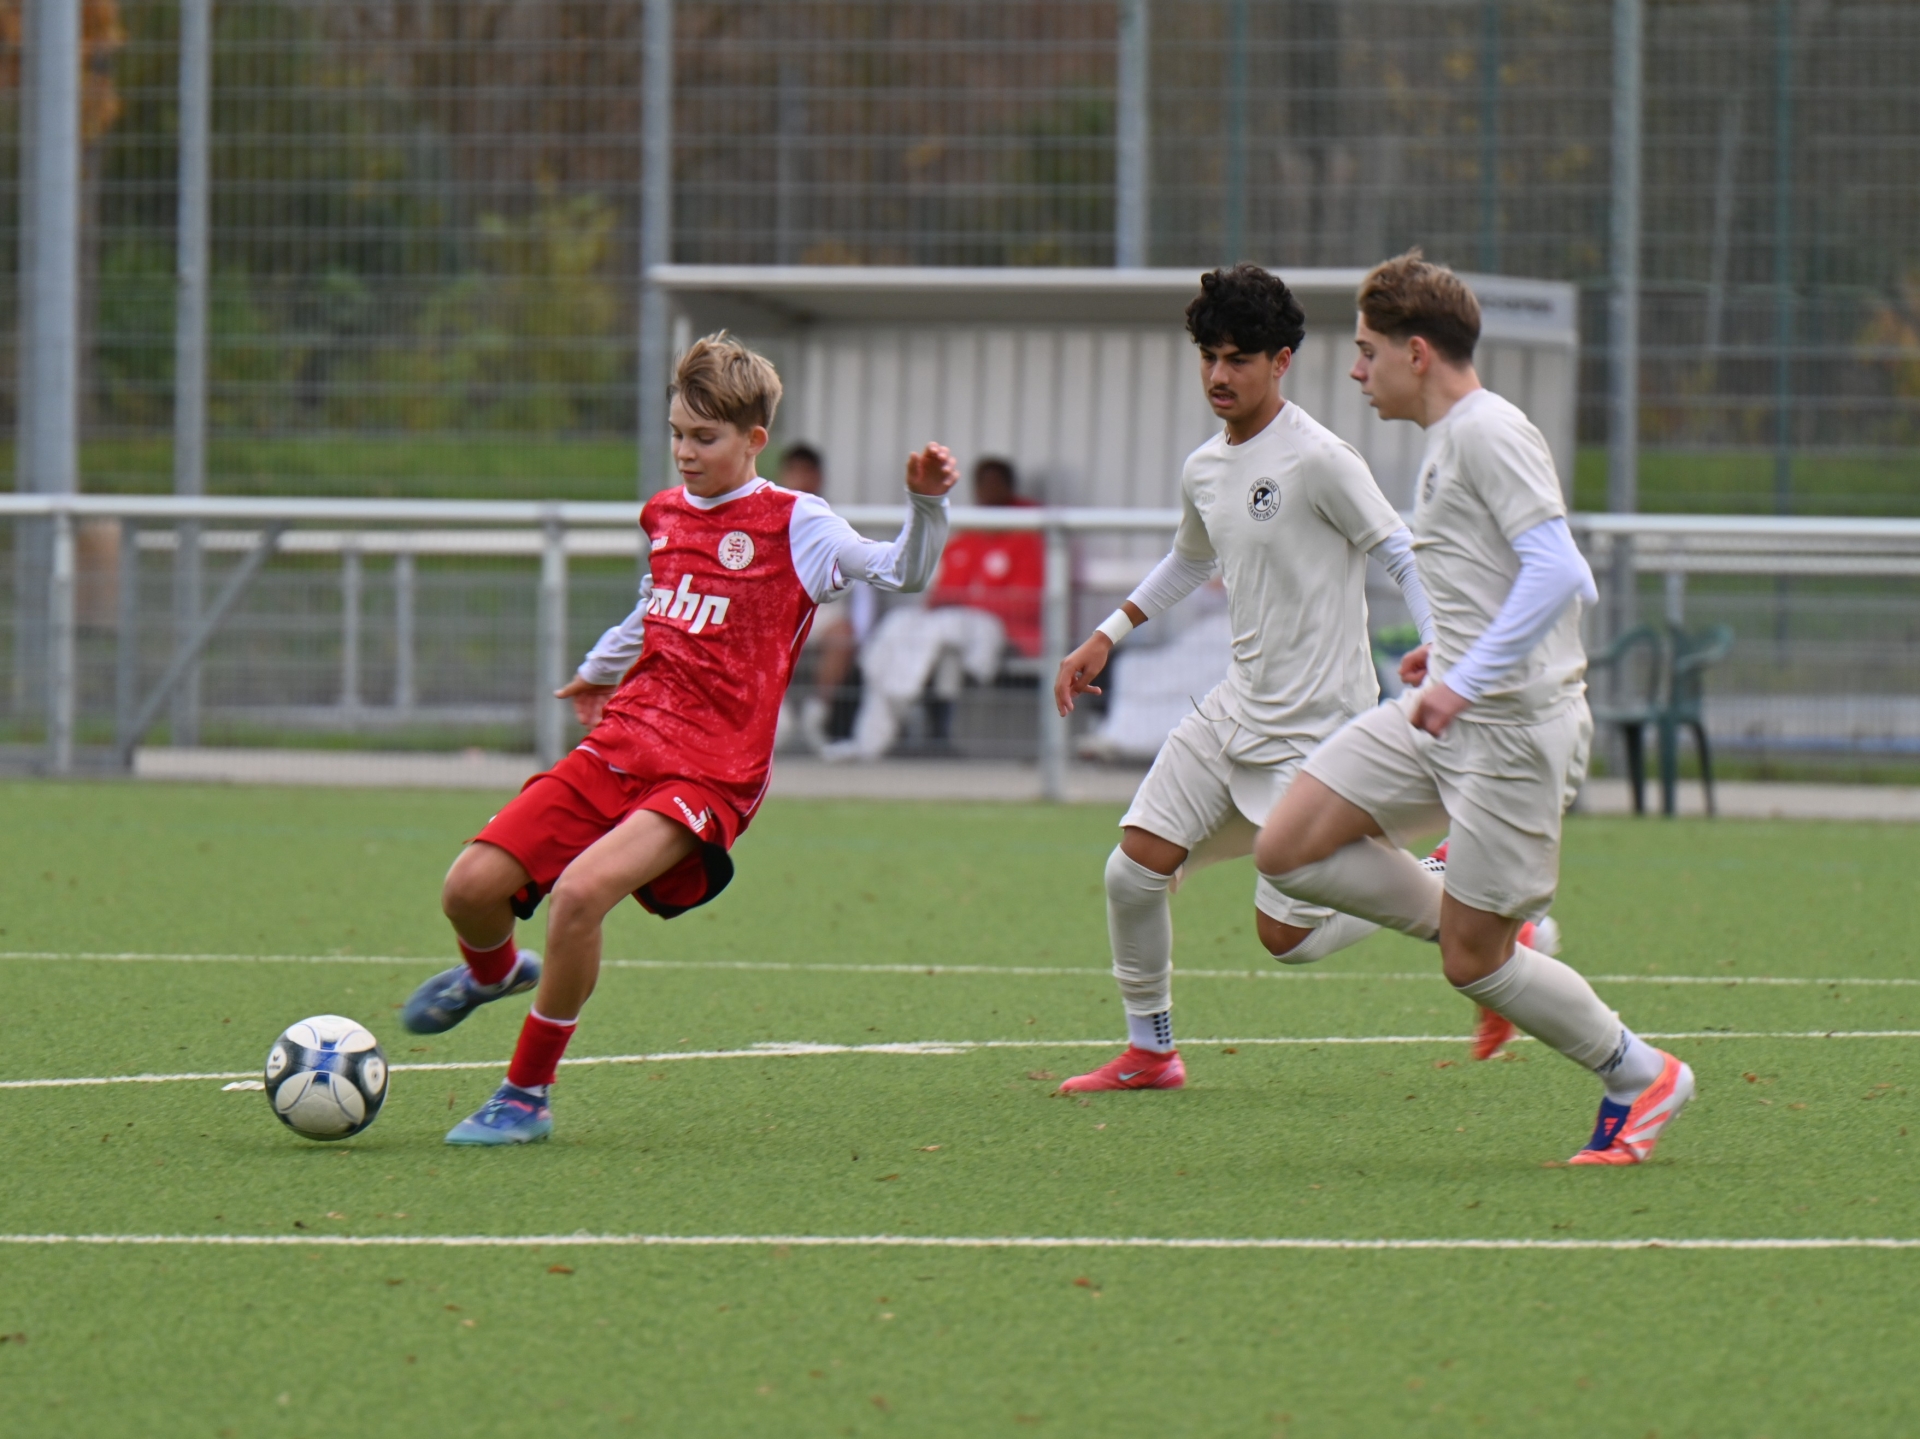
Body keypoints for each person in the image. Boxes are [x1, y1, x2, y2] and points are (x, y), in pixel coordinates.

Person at [400, 333, 959, 1145]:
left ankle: (525, 1092)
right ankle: (493, 972)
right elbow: (655, 603)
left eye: (705, 437)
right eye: (677, 434)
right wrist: (599, 669)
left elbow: (902, 571)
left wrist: (926, 504)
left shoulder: (797, 523)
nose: (685, 452)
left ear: (753, 439)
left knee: (581, 895)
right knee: (468, 887)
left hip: (710, 771)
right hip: (627, 738)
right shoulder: (665, 514)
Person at [1254, 251, 1693, 1166]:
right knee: (1286, 847)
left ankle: (1640, 1073)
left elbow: (1562, 571)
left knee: (1471, 962)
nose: (1357, 370)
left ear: (1417, 352)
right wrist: (1447, 654)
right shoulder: (1453, 437)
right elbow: (1502, 576)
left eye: (1368, 350)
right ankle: (1502, 925)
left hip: (1512, 734)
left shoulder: (1488, 430)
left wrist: (1465, 677)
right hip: (1448, 709)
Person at [1049, 263, 1439, 1094]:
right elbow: (1190, 559)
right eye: (1209, 357)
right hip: (1235, 710)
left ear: (1281, 361)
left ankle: (1437, 881)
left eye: (1239, 358)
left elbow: (1400, 551)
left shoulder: (1320, 458)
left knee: (1285, 939)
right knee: (1133, 868)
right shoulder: (1204, 466)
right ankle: (1152, 1051)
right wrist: (1107, 633)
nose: (1219, 375)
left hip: (1318, 728)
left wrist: (1438, 643)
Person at [828, 457, 1043, 761]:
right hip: (953, 627)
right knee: (900, 622)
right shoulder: (967, 538)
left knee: (943, 628)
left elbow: (1026, 604)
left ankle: (902, 699)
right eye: (983, 484)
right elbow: (939, 596)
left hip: (1003, 631)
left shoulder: (1029, 534)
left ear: (1009, 487)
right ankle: (871, 738)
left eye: (995, 483)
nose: (989, 491)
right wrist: (960, 601)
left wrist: (968, 602)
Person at [774, 443, 873, 750]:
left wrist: (862, 630)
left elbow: (861, 579)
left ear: (819, 477)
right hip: (777, 612)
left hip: (822, 609)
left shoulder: (834, 520)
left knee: (842, 633)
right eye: (794, 471)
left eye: (807, 472)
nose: (800, 478)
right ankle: (776, 712)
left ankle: (818, 712)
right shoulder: (767, 518)